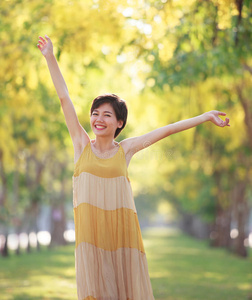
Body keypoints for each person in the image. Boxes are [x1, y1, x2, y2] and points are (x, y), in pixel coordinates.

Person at [37, 35, 230, 300]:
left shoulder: (125, 150)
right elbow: (64, 98)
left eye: (107, 115)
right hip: (90, 240)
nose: (98, 119)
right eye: (95, 113)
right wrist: (49, 57)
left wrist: (205, 117)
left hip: (122, 238)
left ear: (119, 123)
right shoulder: (81, 145)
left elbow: (167, 130)